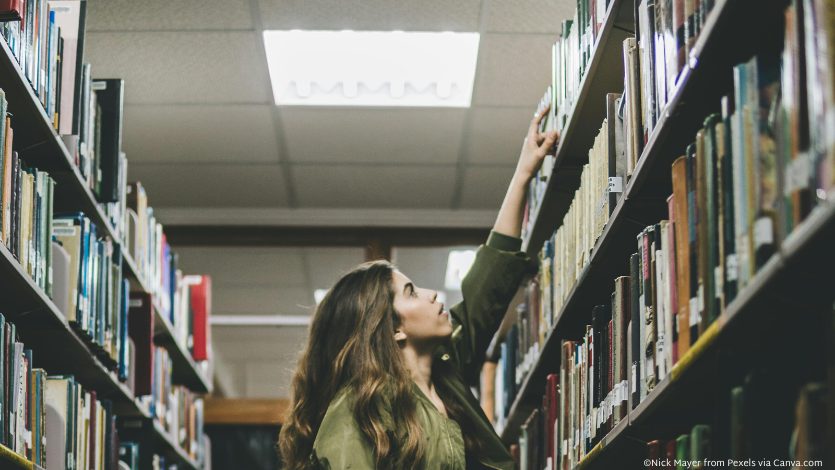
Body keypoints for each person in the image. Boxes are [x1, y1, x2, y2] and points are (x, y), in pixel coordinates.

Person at [278, 107, 559, 470]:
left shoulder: (446, 371)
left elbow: (486, 288)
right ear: (393, 328)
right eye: (411, 292)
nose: (432, 294)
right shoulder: (358, 408)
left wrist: (524, 173)